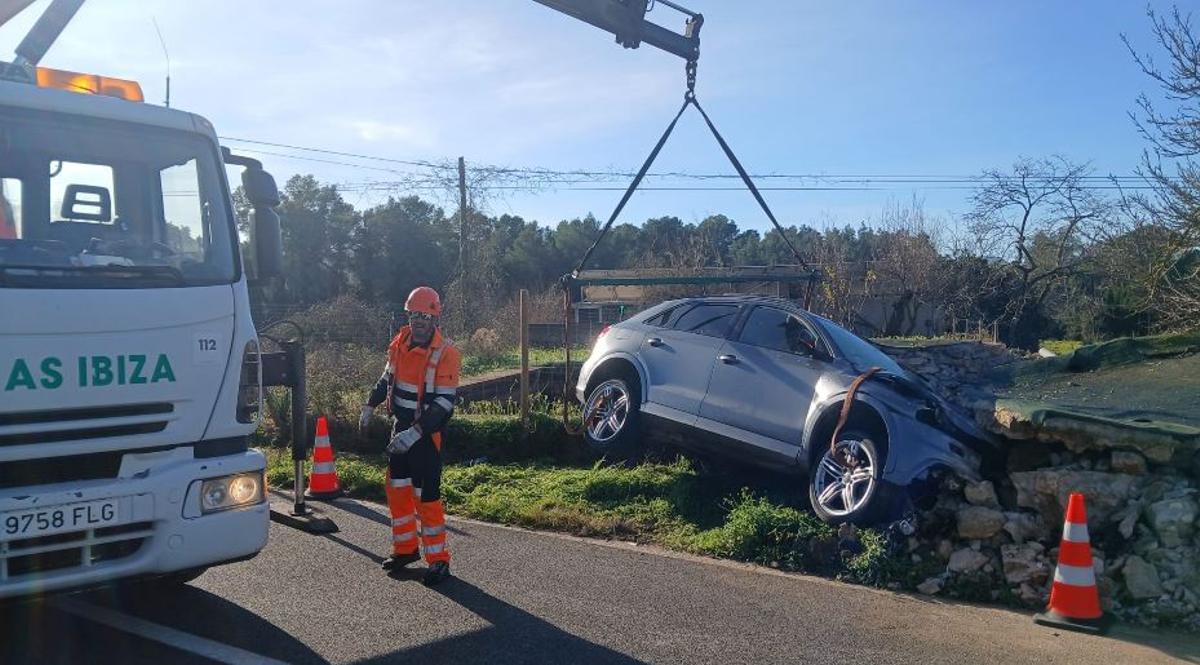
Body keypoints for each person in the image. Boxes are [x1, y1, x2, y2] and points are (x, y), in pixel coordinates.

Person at [359, 286, 461, 586]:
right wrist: (368, 405)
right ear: (408, 315)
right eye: (415, 314)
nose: (419, 321)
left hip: (427, 436)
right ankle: (405, 550)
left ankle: (439, 561)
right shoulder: (399, 343)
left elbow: (444, 405)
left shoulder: (447, 353)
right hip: (400, 428)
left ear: (435, 318)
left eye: (426, 316)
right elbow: (386, 378)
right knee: (397, 490)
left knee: (426, 497)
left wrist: (415, 433)